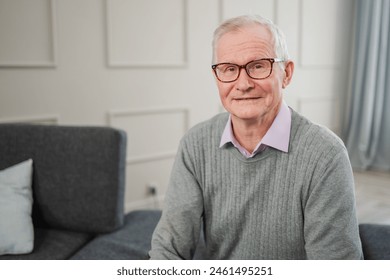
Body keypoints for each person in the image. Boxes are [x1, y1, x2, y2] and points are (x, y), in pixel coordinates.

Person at [149, 15, 363, 259]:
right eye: (229, 69)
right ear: (217, 77)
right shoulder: (195, 144)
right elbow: (168, 247)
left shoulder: (325, 155)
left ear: (287, 74)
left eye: (258, 65)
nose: (243, 83)